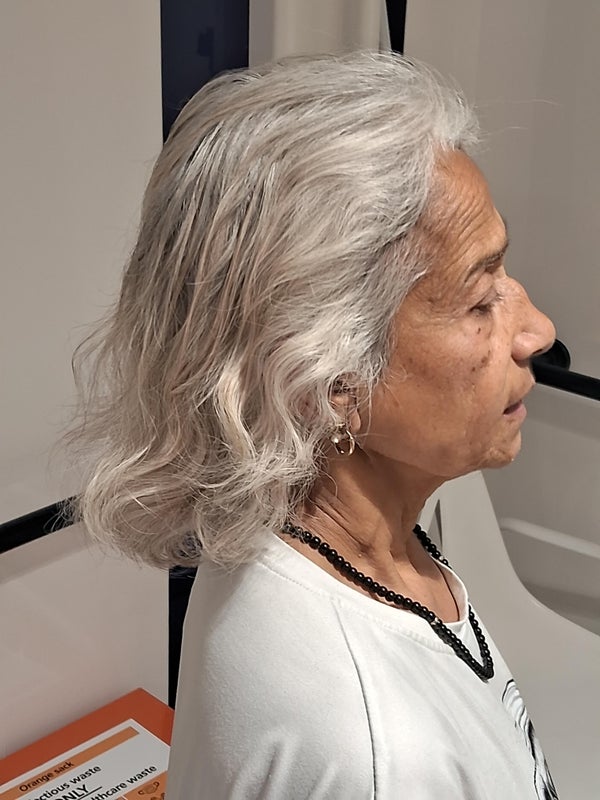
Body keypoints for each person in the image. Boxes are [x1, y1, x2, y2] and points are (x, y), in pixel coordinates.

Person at [69, 52, 559, 798]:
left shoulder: (305, 540)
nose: (538, 331)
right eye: (479, 299)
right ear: (331, 379)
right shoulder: (379, 758)